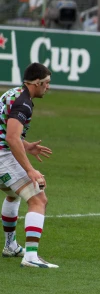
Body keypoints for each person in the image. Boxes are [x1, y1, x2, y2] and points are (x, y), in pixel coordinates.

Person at [0, 63, 55, 268]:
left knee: (13, 193)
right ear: (36, 83)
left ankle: (10, 245)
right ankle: (31, 256)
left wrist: (27, 146)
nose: (48, 87)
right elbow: (12, 138)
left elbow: (5, 129)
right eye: (47, 83)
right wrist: (30, 170)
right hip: (2, 157)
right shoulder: (24, 103)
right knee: (38, 198)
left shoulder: (13, 94)